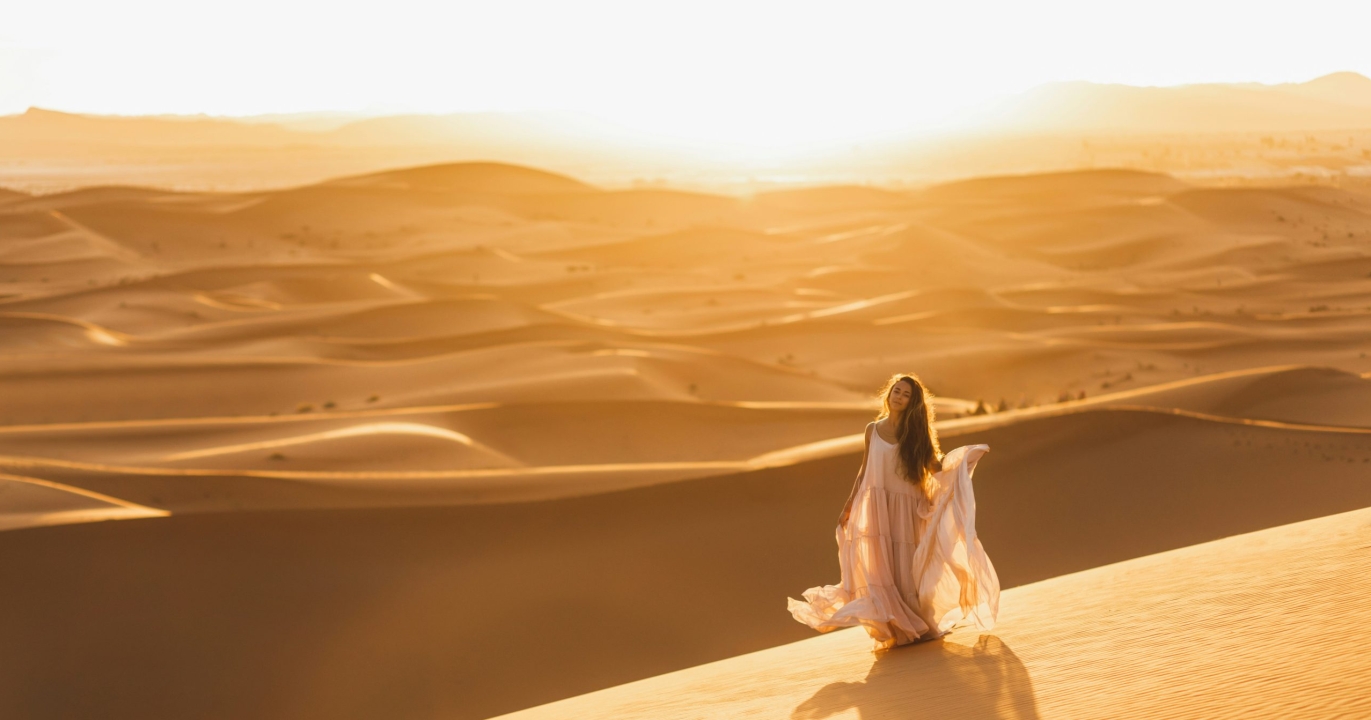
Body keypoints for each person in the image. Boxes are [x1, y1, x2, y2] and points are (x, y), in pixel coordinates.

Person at [787, 373, 999, 649]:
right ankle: (895, 627)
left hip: (906, 506)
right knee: (880, 567)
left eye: (905, 394)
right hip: (876, 506)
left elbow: (935, 468)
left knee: (905, 567)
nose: (898, 397)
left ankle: (913, 623)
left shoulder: (916, 434)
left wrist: (965, 459)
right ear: (888, 394)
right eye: (896, 391)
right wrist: (848, 507)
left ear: (912, 402)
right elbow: (864, 472)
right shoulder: (872, 430)